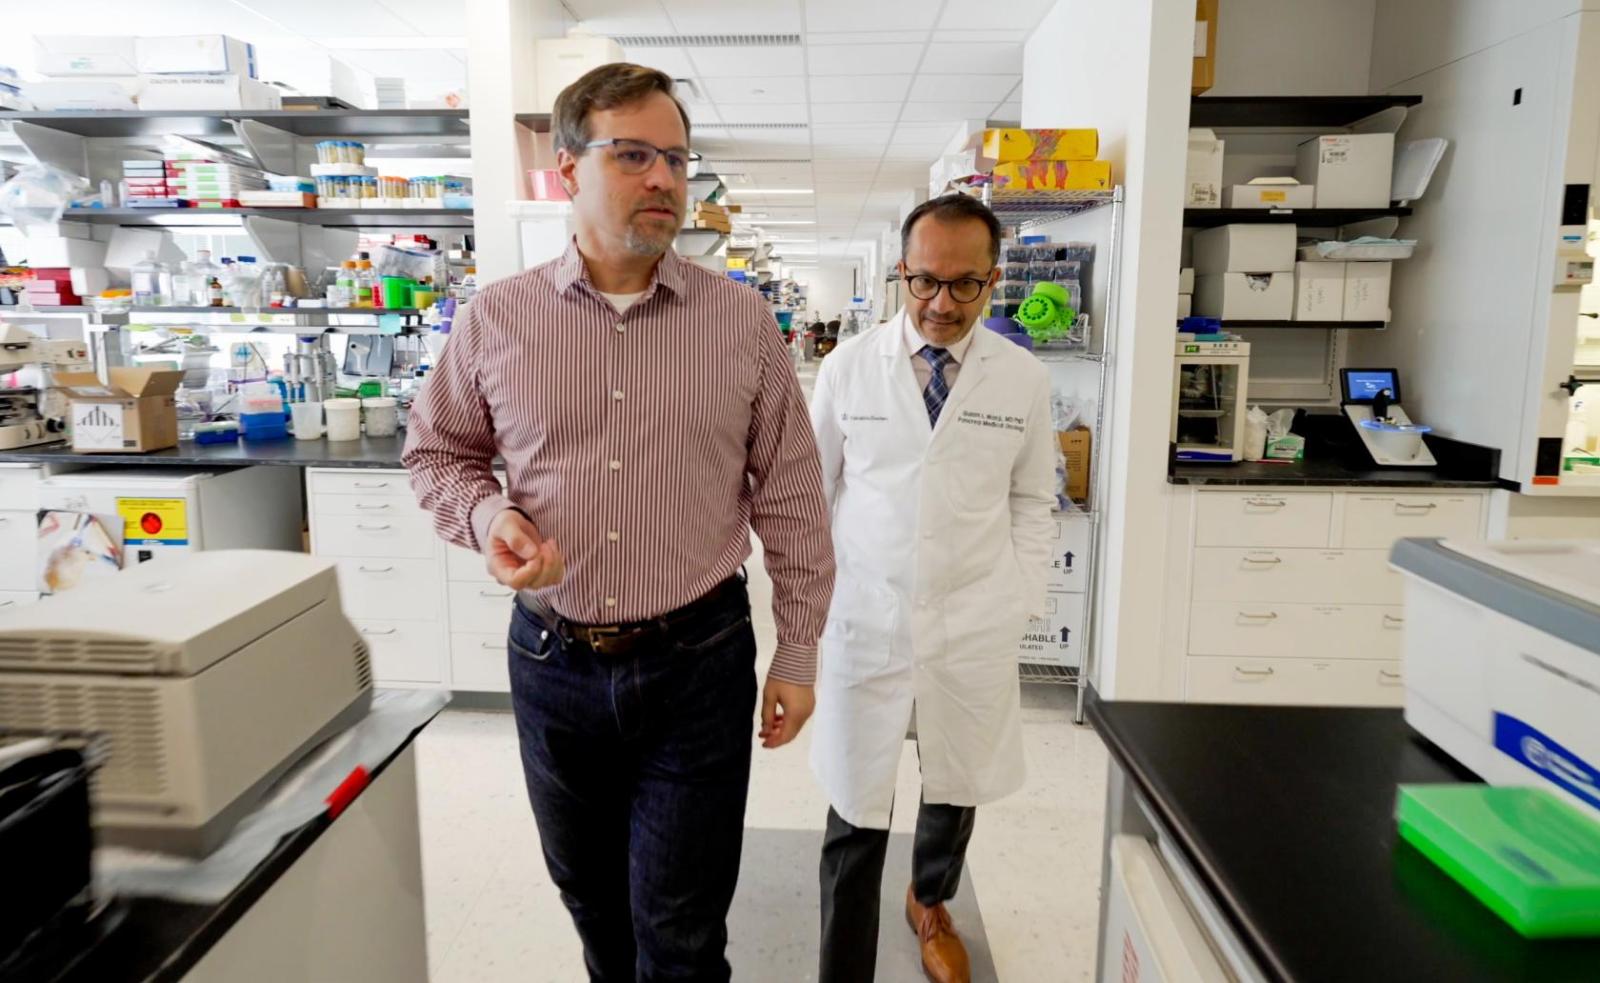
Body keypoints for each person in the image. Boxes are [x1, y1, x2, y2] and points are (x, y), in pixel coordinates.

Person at [402, 62, 835, 982]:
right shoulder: (496, 321)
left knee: (678, 929)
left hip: (699, 660)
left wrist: (798, 653)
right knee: (593, 902)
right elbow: (437, 453)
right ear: (566, 170)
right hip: (554, 663)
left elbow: (792, 494)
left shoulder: (742, 322)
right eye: (634, 154)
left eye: (677, 159)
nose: (664, 180)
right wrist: (487, 517)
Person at [807, 194, 1057, 983]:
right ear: (900, 275)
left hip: (974, 615)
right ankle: (843, 960)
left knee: (954, 782)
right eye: (923, 282)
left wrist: (1022, 596)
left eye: (963, 285)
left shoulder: (1021, 377)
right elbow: (811, 493)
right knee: (855, 800)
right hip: (868, 615)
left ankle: (931, 898)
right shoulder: (849, 367)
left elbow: (1031, 499)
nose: (941, 304)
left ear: (994, 280)